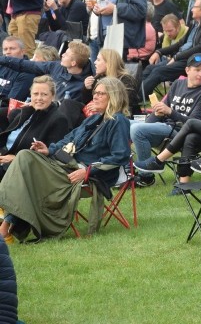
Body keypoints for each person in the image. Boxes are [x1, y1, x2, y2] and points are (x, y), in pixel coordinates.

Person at [0, 76, 131, 242]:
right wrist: (49, 150)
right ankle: (5, 227)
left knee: (25, 159)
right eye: (95, 92)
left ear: (114, 96)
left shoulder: (118, 121)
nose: (95, 96)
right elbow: (68, 140)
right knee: (25, 161)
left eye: (101, 93)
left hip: (88, 176)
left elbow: (120, 156)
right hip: (67, 166)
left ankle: (5, 226)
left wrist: (88, 171)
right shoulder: (94, 119)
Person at [131, 54, 201, 186]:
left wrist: (170, 112)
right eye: (197, 70)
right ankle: (126, 171)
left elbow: (193, 124)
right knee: (122, 123)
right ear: (187, 70)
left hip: (180, 132)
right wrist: (155, 116)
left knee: (137, 129)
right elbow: (162, 112)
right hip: (164, 126)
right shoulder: (178, 84)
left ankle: (146, 177)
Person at [141, 0, 201, 97]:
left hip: (196, 62)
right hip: (182, 59)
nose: (191, 9)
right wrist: (159, 52)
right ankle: (135, 95)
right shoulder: (194, 24)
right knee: (150, 68)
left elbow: (200, 48)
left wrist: (176, 57)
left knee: (158, 71)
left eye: (194, 7)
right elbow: (180, 43)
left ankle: (136, 99)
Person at [0, 76, 70, 180]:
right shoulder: (27, 111)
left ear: (52, 96)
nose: (39, 98)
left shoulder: (59, 119)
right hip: (4, 154)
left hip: (22, 166)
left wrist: (16, 159)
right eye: (35, 94)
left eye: (44, 94)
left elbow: (51, 155)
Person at [0, 40, 92, 101]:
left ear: (73, 63)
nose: (62, 55)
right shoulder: (56, 66)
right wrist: (3, 59)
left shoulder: (85, 84)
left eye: (66, 54)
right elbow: (25, 65)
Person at [80, 48, 141, 117]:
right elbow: (87, 102)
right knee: (69, 104)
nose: (95, 62)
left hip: (117, 116)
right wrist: (87, 88)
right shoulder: (99, 78)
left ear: (109, 63)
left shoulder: (125, 79)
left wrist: (102, 106)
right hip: (96, 114)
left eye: (98, 60)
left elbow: (125, 102)